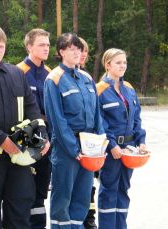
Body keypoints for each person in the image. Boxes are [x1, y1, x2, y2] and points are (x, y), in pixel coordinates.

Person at [0, 25, 50, 228]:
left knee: (21, 206)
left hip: (19, 155)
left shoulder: (16, 73)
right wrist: (2, 140)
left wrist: (41, 137)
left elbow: (32, 108)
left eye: (1, 46)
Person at [44, 33, 104, 228]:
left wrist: (100, 143)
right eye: (72, 49)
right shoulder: (53, 79)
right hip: (66, 149)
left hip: (88, 147)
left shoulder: (87, 78)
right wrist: (73, 149)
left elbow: (96, 114)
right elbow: (57, 120)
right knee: (62, 200)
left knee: (82, 198)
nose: (77, 52)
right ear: (61, 52)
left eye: (79, 49)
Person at [96, 48, 146, 229]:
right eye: (118, 62)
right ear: (107, 65)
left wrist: (141, 141)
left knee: (123, 190)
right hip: (112, 152)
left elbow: (137, 119)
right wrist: (112, 145)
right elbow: (99, 123)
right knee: (109, 190)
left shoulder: (130, 89)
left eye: (124, 62)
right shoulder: (100, 90)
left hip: (129, 150)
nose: (122, 66)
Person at [17, 28, 52, 229]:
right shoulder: (18, 71)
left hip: (47, 138)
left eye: (48, 45)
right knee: (23, 192)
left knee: (41, 192)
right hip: (28, 137)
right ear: (29, 46)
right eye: (41, 44)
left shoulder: (50, 74)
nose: (46, 48)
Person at [79, 37, 98, 229]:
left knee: (89, 184)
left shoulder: (87, 77)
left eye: (85, 51)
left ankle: (89, 218)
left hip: (90, 140)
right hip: (74, 141)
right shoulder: (61, 76)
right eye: (79, 50)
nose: (83, 54)